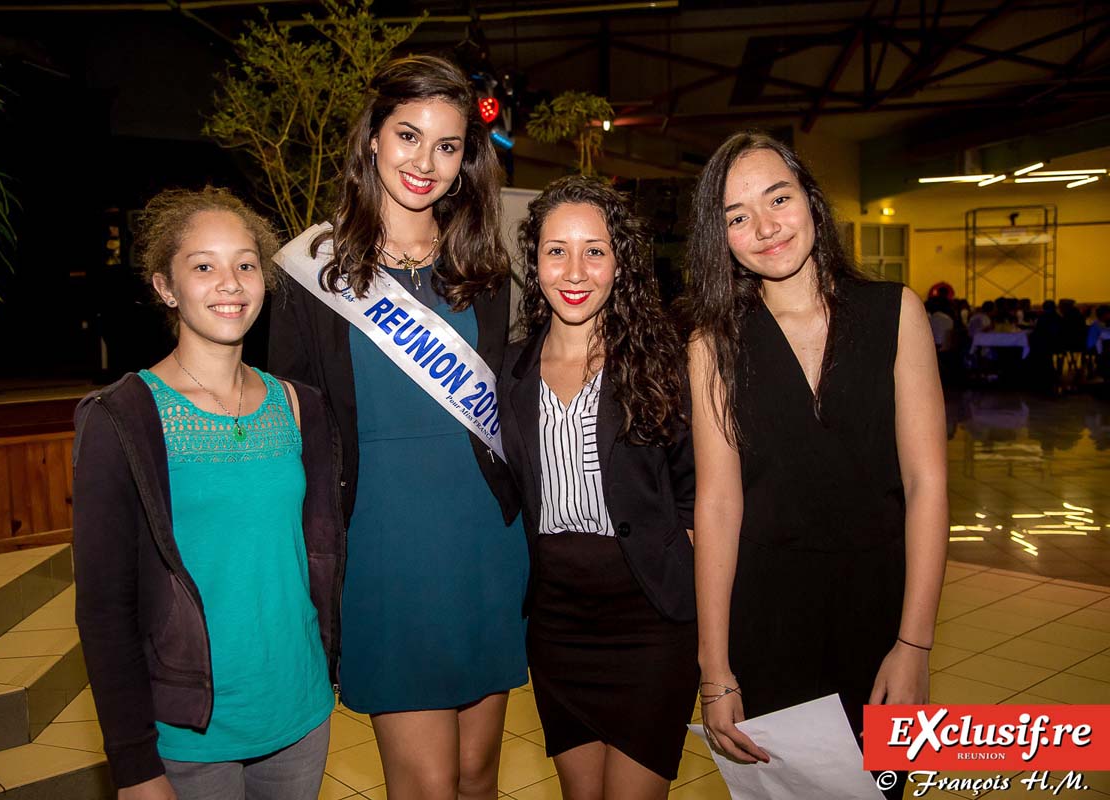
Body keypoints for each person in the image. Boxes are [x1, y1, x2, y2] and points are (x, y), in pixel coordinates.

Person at [268, 55, 527, 799]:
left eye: (448, 146)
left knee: (479, 776)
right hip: (384, 550)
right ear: (373, 140)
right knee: (427, 785)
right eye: (408, 136)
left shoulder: (483, 268)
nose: (426, 162)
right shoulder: (313, 274)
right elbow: (295, 432)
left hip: (484, 544)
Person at [685, 132, 948, 800]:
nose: (765, 227)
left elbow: (927, 485)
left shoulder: (896, 313)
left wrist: (914, 646)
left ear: (811, 200)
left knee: (880, 792)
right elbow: (717, 506)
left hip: (880, 621)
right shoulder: (714, 345)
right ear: (722, 240)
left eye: (778, 198)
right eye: (737, 217)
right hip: (766, 628)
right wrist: (715, 670)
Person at [73, 187, 341, 800]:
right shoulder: (123, 419)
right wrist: (134, 766)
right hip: (188, 732)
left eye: (246, 264)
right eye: (204, 266)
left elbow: (321, 555)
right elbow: (104, 609)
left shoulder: (301, 407)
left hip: (299, 713)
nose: (231, 283)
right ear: (166, 287)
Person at [498, 177, 698, 799]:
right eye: (557, 250)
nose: (575, 270)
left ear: (621, 262)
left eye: (596, 250)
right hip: (558, 626)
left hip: (650, 622)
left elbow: (697, 493)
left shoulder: (664, 360)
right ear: (534, 263)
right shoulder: (511, 370)